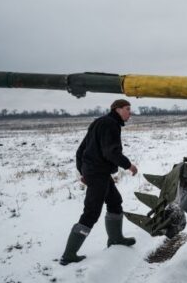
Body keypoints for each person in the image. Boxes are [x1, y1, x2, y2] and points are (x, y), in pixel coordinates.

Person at [60, 99, 139, 265]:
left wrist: (82, 170)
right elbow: (111, 152)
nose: (129, 112)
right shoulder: (110, 125)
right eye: (126, 109)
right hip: (97, 173)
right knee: (91, 212)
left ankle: (116, 239)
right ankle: (69, 255)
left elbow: (81, 149)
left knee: (115, 202)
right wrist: (129, 165)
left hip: (97, 172)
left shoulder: (100, 121)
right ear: (116, 109)